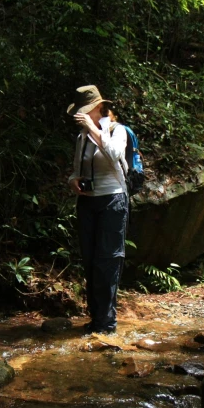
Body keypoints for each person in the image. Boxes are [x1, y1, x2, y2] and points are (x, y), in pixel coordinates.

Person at [67, 85, 128, 334]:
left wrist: (94, 129)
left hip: (113, 201)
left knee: (108, 261)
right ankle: (96, 320)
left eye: (86, 110)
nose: (82, 116)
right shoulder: (81, 137)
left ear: (99, 108)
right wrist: (73, 179)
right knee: (90, 261)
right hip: (88, 202)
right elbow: (76, 168)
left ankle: (107, 323)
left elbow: (114, 155)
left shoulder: (117, 131)